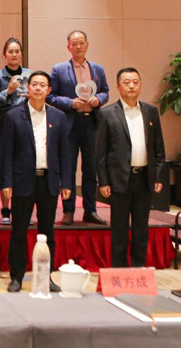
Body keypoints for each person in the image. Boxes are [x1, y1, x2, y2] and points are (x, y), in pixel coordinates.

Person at [0, 71, 71, 293]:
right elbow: (7, 153)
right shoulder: (13, 115)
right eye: (34, 84)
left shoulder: (58, 117)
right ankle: (16, 277)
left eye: (43, 85)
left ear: (49, 90)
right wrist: (6, 182)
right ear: (28, 88)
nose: (38, 88)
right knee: (18, 232)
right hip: (23, 181)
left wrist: (66, 183)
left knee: (47, 231)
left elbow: (65, 153)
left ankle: (46, 276)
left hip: (48, 181)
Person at [96, 68, 166, 268]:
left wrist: (158, 176)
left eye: (135, 81)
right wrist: (104, 181)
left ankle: (138, 269)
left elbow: (158, 148)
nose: (132, 86)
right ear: (118, 87)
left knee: (141, 229)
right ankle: (119, 271)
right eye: (127, 82)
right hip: (119, 180)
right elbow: (100, 152)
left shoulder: (150, 112)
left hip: (144, 178)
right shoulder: (107, 113)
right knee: (119, 229)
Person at [46, 30, 109, 226]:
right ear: (68, 47)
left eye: (81, 43)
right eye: (74, 43)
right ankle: (68, 211)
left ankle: (90, 210)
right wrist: (70, 103)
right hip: (69, 124)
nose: (78, 46)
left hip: (92, 123)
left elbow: (106, 92)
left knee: (91, 168)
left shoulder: (97, 69)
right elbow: (50, 96)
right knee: (68, 168)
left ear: (87, 44)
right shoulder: (58, 69)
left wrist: (99, 99)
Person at [0, 37, 32, 224]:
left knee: (26, 164)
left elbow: (42, 95)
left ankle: (23, 210)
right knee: (6, 164)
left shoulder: (30, 75)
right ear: (4, 55)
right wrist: (8, 91)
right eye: (10, 52)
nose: (14, 55)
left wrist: (33, 95)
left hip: (27, 121)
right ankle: (5, 210)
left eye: (17, 51)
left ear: (22, 54)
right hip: (5, 122)